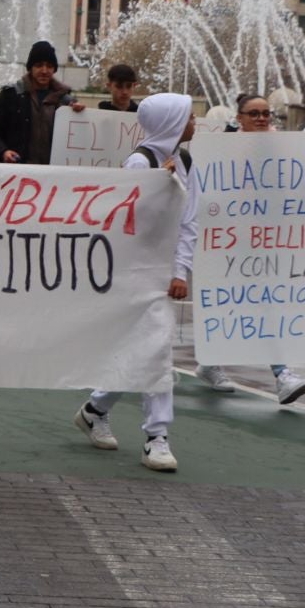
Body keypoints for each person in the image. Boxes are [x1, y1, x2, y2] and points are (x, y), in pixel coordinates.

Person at [75, 92, 197, 472]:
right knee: (155, 350)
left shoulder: (185, 161)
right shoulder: (139, 162)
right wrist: (157, 184)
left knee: (147, 349)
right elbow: (120, 217)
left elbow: (189, 220)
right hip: (135, 273)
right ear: (170, 123)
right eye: (188, 117)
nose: (194, 123)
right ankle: (156, 437)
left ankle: (96, 408)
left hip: (162, 274)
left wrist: (181, 271)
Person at [193, 93, 305, 403]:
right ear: (240, 118)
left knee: (262, 302)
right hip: (228, 243)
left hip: (265, 242)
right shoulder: (220, 152)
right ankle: (280, 374)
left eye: (266, 114)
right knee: (243, 303)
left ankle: (222, 365)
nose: (262, 118)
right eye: (254, 114)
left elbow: (303, 184)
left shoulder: (282, 150)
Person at [0, 40, 83, 165]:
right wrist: (3, 152)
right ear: (30, 67)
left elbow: (79, 141)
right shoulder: (11, 95)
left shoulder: (66, 101)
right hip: (19, 173)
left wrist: (80, 116)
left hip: (55, 175)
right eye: (39, 65)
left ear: (54, 69)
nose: (44, 70)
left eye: (49, 66)